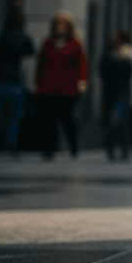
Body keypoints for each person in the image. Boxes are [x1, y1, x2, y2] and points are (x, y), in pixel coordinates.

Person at [35, 11, 89, 160]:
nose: (60, 27)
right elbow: (41, 64)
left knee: (67, 118)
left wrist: (82, 80)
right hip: (48, 87)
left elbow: (81, 64)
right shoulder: (48, 42)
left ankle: (73, 147)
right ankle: (48, 149)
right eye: (57, 24)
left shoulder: (75, 44)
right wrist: (38, 83)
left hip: (68, 89)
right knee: (48, 119)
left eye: (63, 24)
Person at [0, 0, 35, 157]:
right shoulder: (24, 38)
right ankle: (10, 144)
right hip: (14, 82)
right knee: (14, 116)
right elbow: (30, 51)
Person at [100, 29, 132, 161]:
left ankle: (125, 148)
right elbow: (103, 71)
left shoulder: (127, 55)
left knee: (117, 121)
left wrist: (123, 60)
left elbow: (130, 72)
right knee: (111, 122)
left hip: (122, 94)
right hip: (109, 94)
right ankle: (111, 149)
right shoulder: (107, 55)